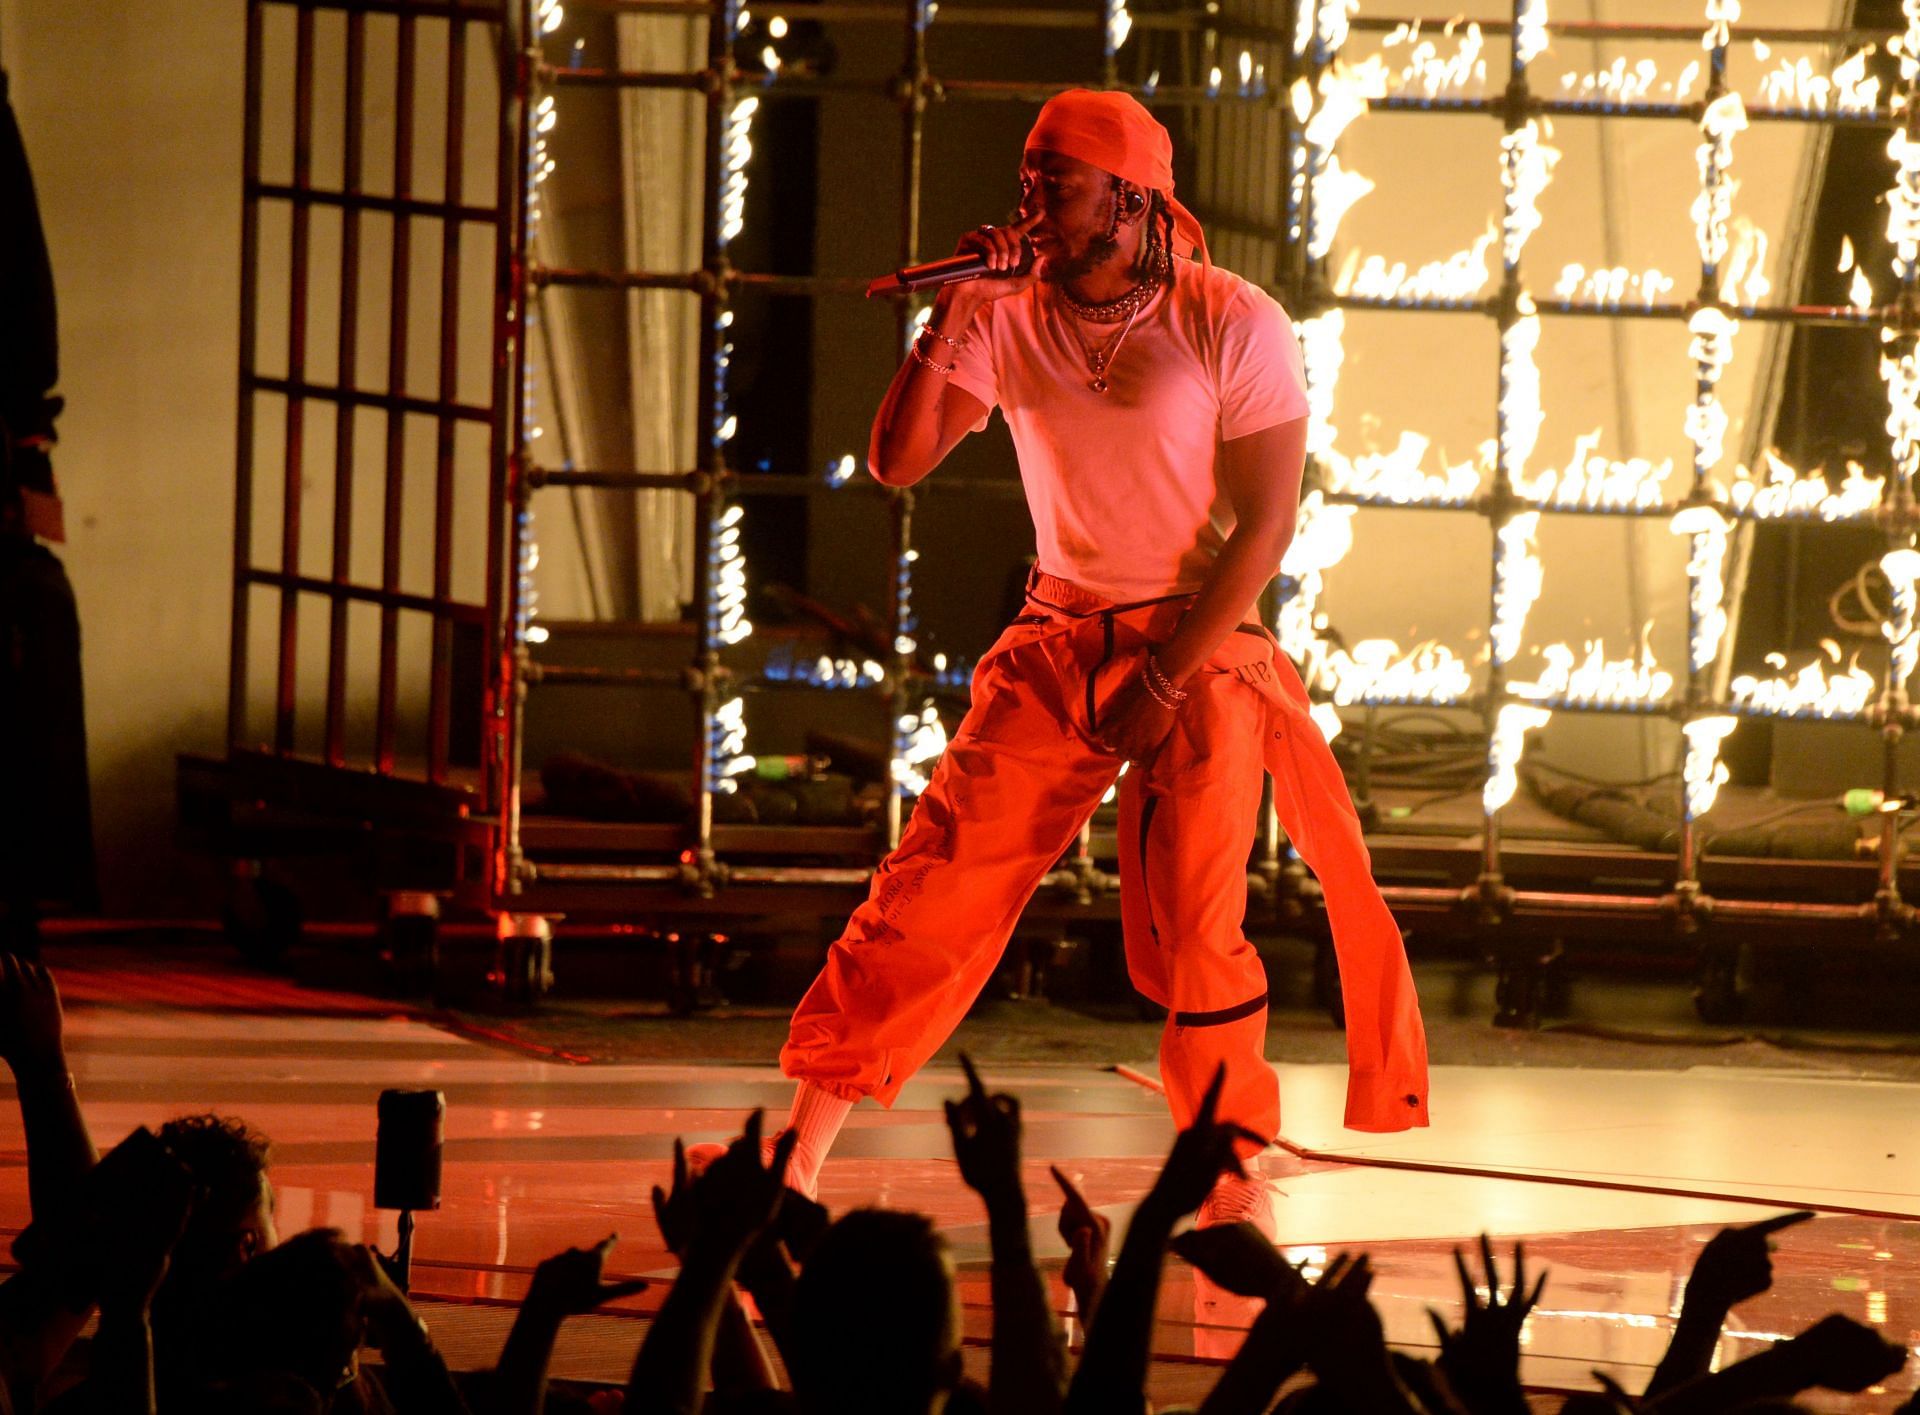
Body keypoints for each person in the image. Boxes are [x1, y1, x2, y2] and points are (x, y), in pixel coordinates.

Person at [752, 89, 1429, 1219]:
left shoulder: (1234, 317)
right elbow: (896, 459)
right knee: (933, 889)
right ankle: (798, 1158)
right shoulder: (1003, 310)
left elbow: (1265, 526)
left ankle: (1220, 1166)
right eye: (1027, 182)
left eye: (1054, 182)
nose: (1032, 204)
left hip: (1198, 640)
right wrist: (959, 304)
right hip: (1059, 634)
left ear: (1130, 194)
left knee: (1197, 923)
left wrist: (1165, 683)